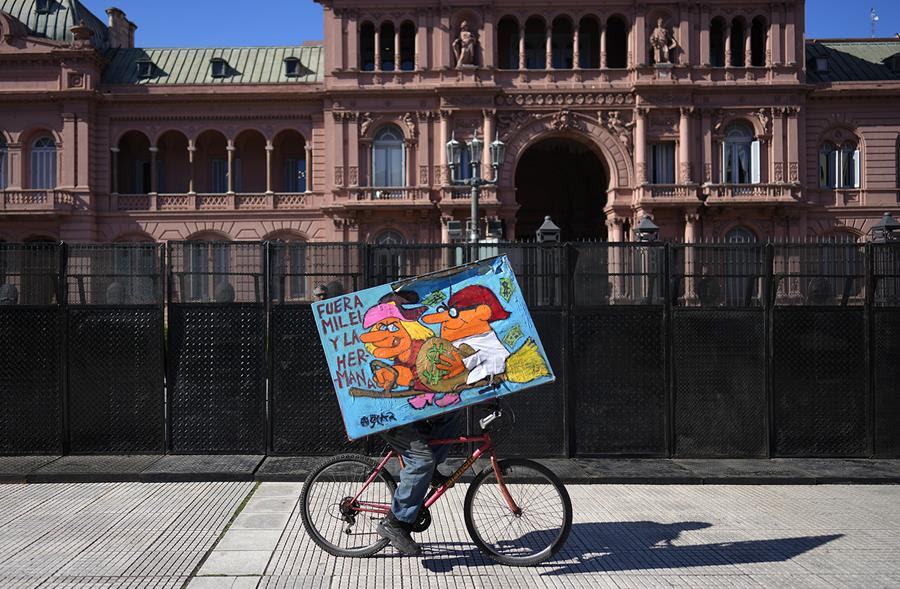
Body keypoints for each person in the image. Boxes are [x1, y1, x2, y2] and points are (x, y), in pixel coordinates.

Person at [376, 410, 460, 556]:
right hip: (389, 416)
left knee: (452, 414)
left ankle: (429, 472)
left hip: (405, 412)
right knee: (422, 461)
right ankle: (394, 522)